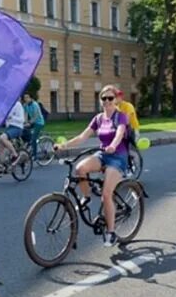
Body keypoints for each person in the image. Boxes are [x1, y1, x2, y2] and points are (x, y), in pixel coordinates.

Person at [54, 84, 130, 247]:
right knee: (80, 168)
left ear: (115, 100)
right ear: (100, 100)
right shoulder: (98, 119)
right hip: (102, 155)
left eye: (110, 98)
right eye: (104, 98)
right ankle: (86, 197)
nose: (107, 101)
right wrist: (64, 145)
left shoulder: (120, 116)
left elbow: (120, 133)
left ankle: (111, 232)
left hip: (117, 157)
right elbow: (82, 137)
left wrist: (113, 145)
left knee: (106, 194)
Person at [0, 99, 25, 166]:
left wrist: (12, 117)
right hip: (9, 128)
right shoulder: (7, 106)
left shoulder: (18, 105)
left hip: (17, 127)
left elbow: (22, 120)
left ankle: (15, 155)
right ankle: (1, 165)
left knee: (2, 137)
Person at [22, 92, 45, 158]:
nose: (26, 99)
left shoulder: (35, 105)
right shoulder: (25, 105)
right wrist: (25, 122)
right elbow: (25, 114)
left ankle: (35, 155)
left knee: (33, 138)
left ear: (31, 98)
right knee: (23, 130)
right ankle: (28, 143)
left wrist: (29, 123)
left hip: (39, 122)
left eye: (27, 97)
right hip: (32, 122)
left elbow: (36, 116)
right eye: (24, 98)